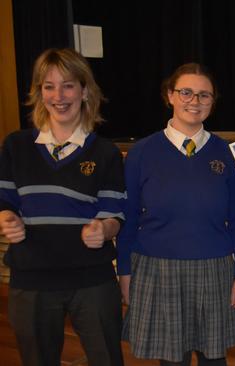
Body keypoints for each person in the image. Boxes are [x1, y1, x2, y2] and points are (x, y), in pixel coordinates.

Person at [116, 63, 235, 366]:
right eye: (186, 92)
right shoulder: (142, 152)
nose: (195, 101)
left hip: (214, 269)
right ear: (170, 96)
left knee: (213, 359)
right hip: (157, 269)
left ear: (213, 102)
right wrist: (124, 270)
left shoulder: (227, 154)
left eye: (205, 95)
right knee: (172, 360)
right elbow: (128, 218)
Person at [0, 48, 125, 365]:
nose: (59, 95)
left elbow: (114, 217)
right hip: (31, 280)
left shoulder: (106, 153)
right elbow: (6, 204)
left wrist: (103, 229)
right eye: (48, 86)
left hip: (92, 281)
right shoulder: (15, 146)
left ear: (84, 91)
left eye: (68, 85)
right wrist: (7, 217)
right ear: (39, 93)